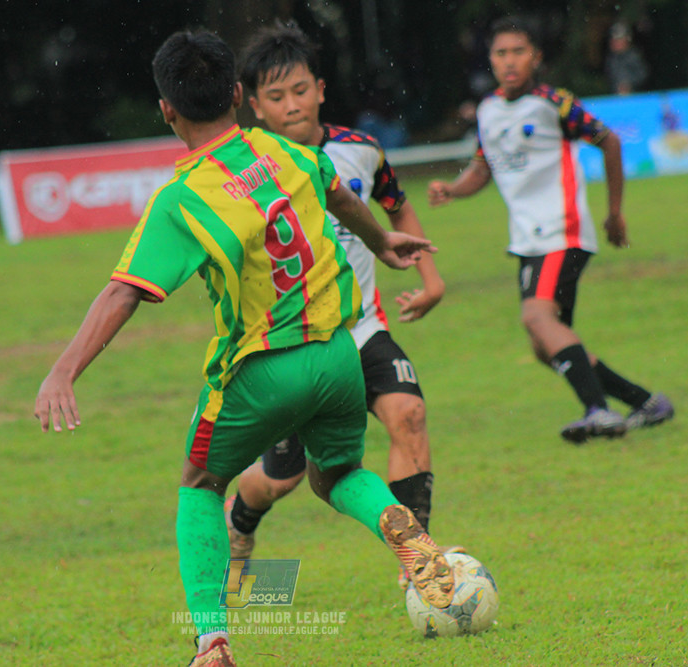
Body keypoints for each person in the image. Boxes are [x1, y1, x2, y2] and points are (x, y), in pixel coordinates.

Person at [34, 30, 454, 667]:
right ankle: (409, 539)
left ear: (166, 111)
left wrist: (63, 371)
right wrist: (383, 240)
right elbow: (338, 192)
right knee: (337, 473)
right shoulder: (284, 151)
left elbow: (123, 293)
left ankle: (212, 640)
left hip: (261, 369)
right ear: (238, 93)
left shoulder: (182, 199)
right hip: (340, 353)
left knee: (200, 484)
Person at [225, 22, 457, 584]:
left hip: (362, 329)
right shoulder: (245, 171)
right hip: (295, 347)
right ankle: (241, 517)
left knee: (409, 414)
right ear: (254, 105)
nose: (291, 106)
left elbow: (396, 207)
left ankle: (417, 560)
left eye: (300, 90)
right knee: (282, 478)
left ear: (322, 89)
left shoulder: (360, 151)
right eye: (275, 97)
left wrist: (431, 278)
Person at [427, 16, 673, 444]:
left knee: (537, 317)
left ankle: (598, 410)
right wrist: (451, 188)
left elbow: (609, 141)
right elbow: (482, 170)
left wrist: (615, 213)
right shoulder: (486, 110)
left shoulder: (553, 103)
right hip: (527, 240)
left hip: (562, 230)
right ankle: (646, 402)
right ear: (490, 59)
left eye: (518, 52)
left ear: (536, 57)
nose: (509, 61)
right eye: (501, 53)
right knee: (547, 344)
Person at [605, 21, 649, 96]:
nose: (615, 43)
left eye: (619, 40)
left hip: (634, 95)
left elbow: (642, 74)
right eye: (614, 40)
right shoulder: (611, 59)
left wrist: (628, 84)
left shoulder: (634, 56)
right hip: (616, 96)